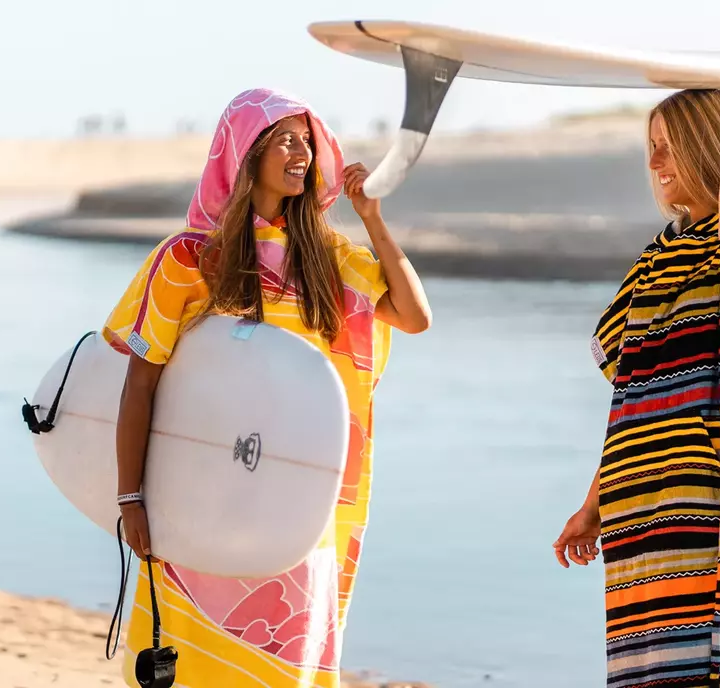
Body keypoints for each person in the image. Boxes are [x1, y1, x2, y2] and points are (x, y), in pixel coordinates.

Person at [101, 87, 431, 687]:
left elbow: (413, 315)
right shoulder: (190, 259)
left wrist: (373, 220)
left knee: (283, 663)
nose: (301, 152)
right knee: (193, 664)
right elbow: (140, 384)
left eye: (308, 141)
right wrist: (130, 499)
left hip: (295, 500)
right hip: (201, 493)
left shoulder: (325, 258)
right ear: (245, 152)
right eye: (285, 139)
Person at [552, 54, 720, 687]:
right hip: (643, 504)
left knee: (714, 669)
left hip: (712, 500)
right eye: (650, 149)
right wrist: (594, 503)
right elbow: (639, 396)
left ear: (706, 147)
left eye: (668, 147)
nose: (655, 163)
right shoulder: (659, 258)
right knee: (650, 675)